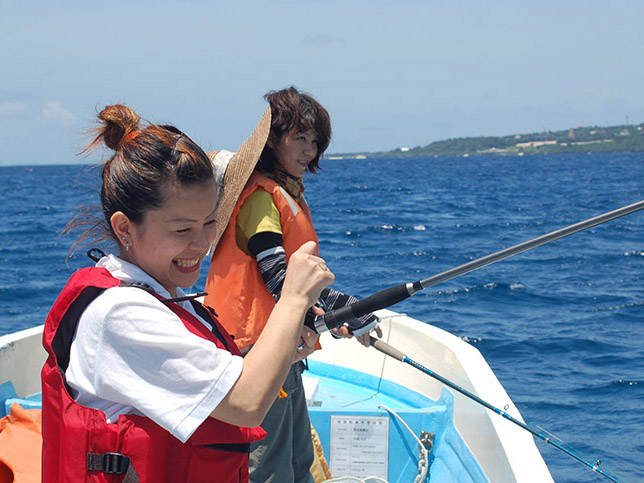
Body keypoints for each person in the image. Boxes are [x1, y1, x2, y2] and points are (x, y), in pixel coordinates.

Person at [40, 104, 334, 482]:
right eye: (181, 231)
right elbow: (246, 403)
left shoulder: (164, 297)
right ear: (124, 229)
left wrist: (287, 346)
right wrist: (294, 298)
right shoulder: (120, 315)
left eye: (210, 223)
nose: (201, 244)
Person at [205, 87, 381, 482]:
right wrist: (348, 307)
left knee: (299, 462)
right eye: (299, 138)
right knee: (269, 468)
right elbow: (280, 279)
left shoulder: (286, 195)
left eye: (315, 142)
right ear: (273, 140)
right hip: (255, 350)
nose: (309, 151)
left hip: (281, 349)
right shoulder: (260, 199)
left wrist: (334, 314)